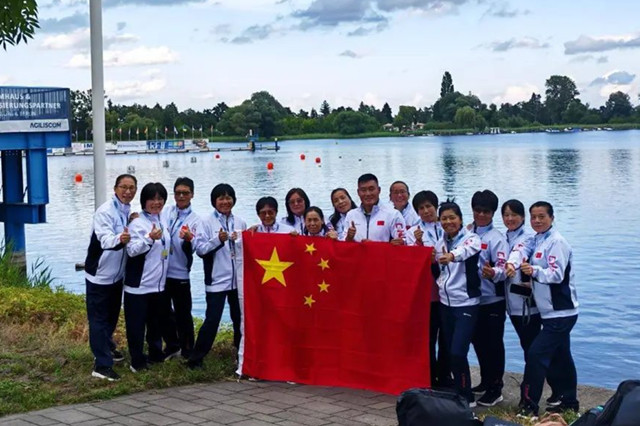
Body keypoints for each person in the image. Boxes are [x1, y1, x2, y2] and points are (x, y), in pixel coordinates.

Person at [507, 201, 579, 419]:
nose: (537, 221)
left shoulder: (557, 242)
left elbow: (556, 275)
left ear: (552, 218)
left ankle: (529, 407)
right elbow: (521, 250)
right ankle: (568, 401)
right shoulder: (538, 239)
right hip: (549, 313)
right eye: (534, 217)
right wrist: (512, 264)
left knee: (536, 355)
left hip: (561, 312)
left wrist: (534, 271)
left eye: (542, 217)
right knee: (562, 356)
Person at [188, 184, 247, 369]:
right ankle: (196, 359)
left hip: (237, 281)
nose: (225, 201)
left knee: (239, 319)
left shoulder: (240, 222)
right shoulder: (206, 222)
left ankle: (241, 355)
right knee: (212, 320)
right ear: (214, 201)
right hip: (216, 280)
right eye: (221, 198)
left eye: (228, 197)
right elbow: (200, 250)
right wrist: (217, 241)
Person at [85, 174, 137, 381]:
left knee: (112, 317)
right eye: (123, 187)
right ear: (115, 189)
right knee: (98, 320)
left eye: (132, 188)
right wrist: (120, 239)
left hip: (117, 275)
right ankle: (101, 365)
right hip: (100, 275)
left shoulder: (126, 211)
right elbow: (105, 240)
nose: (128, 191)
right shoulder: (105, 211)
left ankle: (106, 347)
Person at [433, 200, 481, 407]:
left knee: (458, 352)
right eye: (444, 218)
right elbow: (437, 269)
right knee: (449, 352)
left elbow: (466, 251)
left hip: (466, 303)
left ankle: (466, 397)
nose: (448, 222)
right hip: (445, 303)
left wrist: (452, 256)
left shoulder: (472, 239)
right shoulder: (440, 243)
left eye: (452, 217)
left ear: (460, 219)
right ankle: (459, 392)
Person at [405, 190, 451, 389]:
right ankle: (430, 378)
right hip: (428, 295)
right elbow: (410, 262)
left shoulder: (448, 226)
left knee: (447, 338)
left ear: (436, 206)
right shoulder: (412, 232)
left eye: (429, 206)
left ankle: (446, 377)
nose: (426, 211)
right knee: (429, 339)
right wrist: (418, 245)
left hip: (449, 293)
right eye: (421, 208)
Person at [124, 182, 171, 373]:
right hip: (139, 285)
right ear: (144, 201)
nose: (156, 202)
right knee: (136, 326)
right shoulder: (137, 224)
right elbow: (132, 251)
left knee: (155, 323)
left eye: (160, 199)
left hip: (158, 285)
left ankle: (155, 354)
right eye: (152, 199)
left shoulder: (162, 219)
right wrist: (149, 238)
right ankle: (136, 361)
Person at [469, 190, 509, 407]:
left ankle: (496, 388)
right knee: (478, 343)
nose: (481, 215)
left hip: (492, 300)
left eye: (486, 211)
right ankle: (485, 381)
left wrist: (493, 273)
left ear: (493, 213)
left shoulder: (497, 239)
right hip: (472, 300)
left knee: (493, 345)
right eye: (478, 210)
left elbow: (504, 268)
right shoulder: (466, 232)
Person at [163, 177, 200, 360]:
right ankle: (172, 345)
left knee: (183, 313)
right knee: (163, 311)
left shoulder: (196, 220)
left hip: (180, 272)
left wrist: (189, 239)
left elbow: (197, 247)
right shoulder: (166, 211)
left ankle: (187, 350)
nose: (181, 196)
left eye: (185, 193)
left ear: (192, 194)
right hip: (162, 271)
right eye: (178, 193)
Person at [342, 173, 406, 243]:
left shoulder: (393, 214)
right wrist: (349, 237)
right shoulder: (351, 215)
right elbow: (343, 244)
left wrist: (374, 246)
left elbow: (403, 242)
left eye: (371, 189)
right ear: (358, 192)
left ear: (379, 190)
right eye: (363, 190)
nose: (368, 194)